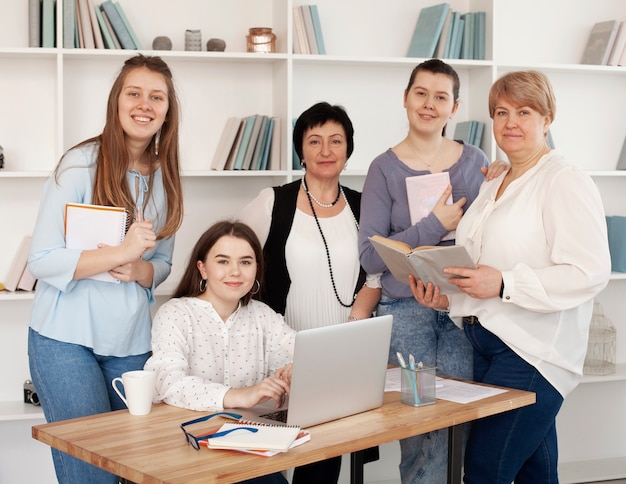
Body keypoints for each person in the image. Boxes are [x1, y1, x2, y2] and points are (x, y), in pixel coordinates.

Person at [409, 70, 611, 483]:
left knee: (485, 469)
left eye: (524, 111)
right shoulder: (497, 179)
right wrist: (447, 297)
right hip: (487, 342)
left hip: (532, 352)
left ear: (547, 119)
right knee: (535, 470)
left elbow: (589, 272)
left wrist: (505, 283)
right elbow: (483, 265)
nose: (511, 122)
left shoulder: (564, 179)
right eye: (501, 112)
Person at [27, 54, 184, 484]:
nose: (144, 104)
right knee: (90, 477)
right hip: (64, 341)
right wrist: (121, 252)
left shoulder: (165, 178)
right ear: (117, 101)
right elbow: (41, 260)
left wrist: (140, 270)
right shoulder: (79, 164)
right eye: (134, 93)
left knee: (143, 470)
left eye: (157, 97)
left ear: (168, 111)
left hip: (131, 343)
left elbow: (163, 264)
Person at [358, 59, 497, 483]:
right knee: (417, 428)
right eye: (421, 93)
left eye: (441, 97)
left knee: (460, 422)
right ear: (405, 99)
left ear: (454, 108)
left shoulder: (475, 162)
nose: (429, 104)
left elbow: (492, 239)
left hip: (462, 312)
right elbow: (369, 256)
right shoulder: (383, 168)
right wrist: (435, 225)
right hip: (405, 313)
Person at [239, 101, 381, 483]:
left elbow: (374, 279)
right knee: (260, 459)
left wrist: (353, 326)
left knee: (321, 459)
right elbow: (234, 262)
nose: (325, 150)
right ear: (300, 149)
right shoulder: (273, 201)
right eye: (314, 140)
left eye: (336, 141)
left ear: (348, 150)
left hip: (338, 355)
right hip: (277, 353)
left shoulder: (363, 206)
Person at [144, 220, 294, 484]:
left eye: (246, 262)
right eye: (223, 261)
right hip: (187, 450)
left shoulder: (263, 316)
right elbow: (168, 381)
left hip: (248, 449)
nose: (235, 272)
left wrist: (296, 369)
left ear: (257, 269)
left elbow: (297, 352)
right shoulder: (176, 313)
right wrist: (239, 396)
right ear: (202, 268)